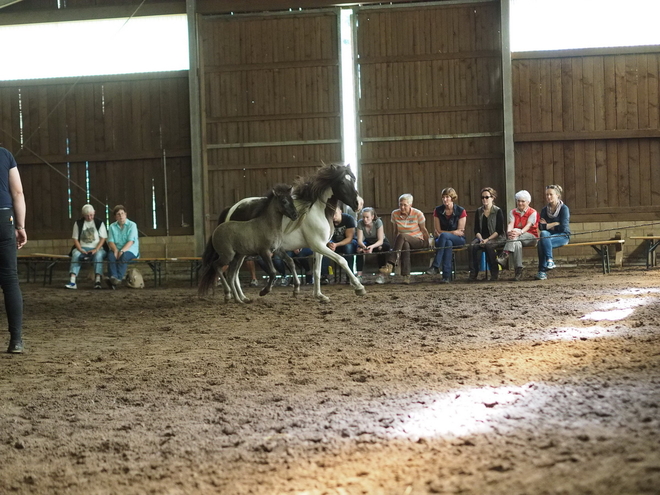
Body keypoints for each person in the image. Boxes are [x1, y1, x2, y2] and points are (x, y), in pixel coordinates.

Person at [0, 147, 27, 354]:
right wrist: (20, 226)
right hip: (3, 218)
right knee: (10, 279)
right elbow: (17, 191)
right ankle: (16, 341)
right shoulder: (5, 155)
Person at [380, 194, 430, 284]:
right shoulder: (395, 214)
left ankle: (390, 264)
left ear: (410, 205)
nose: (402, 207)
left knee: (402, 235)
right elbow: (395, 231)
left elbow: (423, 230)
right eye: (400, 204)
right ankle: (406, 276)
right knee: (405, 245)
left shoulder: (418, 214)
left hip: (418, 241)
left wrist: (427, 243)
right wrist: (398, 245)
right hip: (404, 241)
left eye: (405, 205)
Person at [426, 187, 467, 283]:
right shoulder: (438, 210)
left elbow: (460, 231)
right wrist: (452, 232)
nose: (445, 199)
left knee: (445, 236)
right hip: (441, 240)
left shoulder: (461, 211)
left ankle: (435, 266)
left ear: (452, 198)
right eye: (443, 197)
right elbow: (438, 230)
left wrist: (447, 233)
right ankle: (446, 277)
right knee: (447, 243)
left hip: (458, 239)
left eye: (447, 197)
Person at [498, 190, 538, 281]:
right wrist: (509, 232)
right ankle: (518, 271)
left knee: (515, 231)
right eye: (518, 201)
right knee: (517, 244)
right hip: (516, 238)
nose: (520, 203)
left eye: (523, 201)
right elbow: (511, 223)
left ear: (528, 202)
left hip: (531, 237)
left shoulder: (533, 212)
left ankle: (505, 254)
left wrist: (518, 232)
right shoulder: (513, 212)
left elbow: (528, 226)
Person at [65, 204, 107, 290]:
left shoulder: (99, 223)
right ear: (83, 215)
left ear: (94, 213)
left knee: (98, 255)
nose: (90, 217)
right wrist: (80, 249)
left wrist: (96, 249)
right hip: (82, 247)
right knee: (75, 254)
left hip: (98, 248)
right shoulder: (78, 223)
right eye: (87, 216)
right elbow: (75, 239)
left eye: (91, 215)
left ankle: (98, 281)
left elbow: (103, 238)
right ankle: (72, 281)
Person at [467, 187, 505, 281]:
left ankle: (494, 272)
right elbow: (476, 230)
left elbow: (499, 230)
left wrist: (487, 239)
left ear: (492, 198)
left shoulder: (497, 211)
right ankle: (473, 273)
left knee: (489, 245)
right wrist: (481, 239)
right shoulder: (478, 211)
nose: (484, 199)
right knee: (471, 246)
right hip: (481, 237)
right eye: (482, 197)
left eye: (487, 197)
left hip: (496, 237)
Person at [536, 185, 570, 280]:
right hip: (548, 236)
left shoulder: (564, 209)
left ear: (557, 195)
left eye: (551, 194)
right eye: (547, 195)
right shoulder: (544, 210)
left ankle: (542, 271)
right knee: (543, 235)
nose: (548, 197)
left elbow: (563, 228)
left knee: (541, 242)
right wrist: (555, 223)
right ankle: (550, 261)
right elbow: (541, 227)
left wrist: (548, 225)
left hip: (563, 236)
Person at [321, 206, 357, 284]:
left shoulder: (348, 219)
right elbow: (325, 236)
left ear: (340, 211)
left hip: (348, 242)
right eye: (331, 214)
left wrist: (336, 245)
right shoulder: (328, 221)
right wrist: (330, 244)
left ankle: (350, 275)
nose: (333, 216)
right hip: (333, 243)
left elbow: (349, 238)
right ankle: (324, 276)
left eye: (335, 213)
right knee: (323, 250)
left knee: (348, 248)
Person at [107, 205, 139, 289]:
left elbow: (131, 241)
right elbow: (110, 241)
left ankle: (118, 278)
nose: (121, 216)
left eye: (122, 213)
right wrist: (115, 250)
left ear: (126, 214)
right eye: (118, 214)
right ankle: (114, 277)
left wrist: (122, 251)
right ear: (115, 217)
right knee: (110, 255)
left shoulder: (132, 225)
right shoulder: (112, 226)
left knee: (123, 256)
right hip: (117, 249)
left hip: (130, 249)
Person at [356, 207, 391, 284]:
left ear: (372, 217)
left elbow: (380, 240)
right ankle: (359, 275)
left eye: (367, 217)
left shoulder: (378, 222)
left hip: (380, 242)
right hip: (367, 242)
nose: (365, 219)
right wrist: (364, 247)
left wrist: (371, 247)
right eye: (363, 217)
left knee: (380, 249)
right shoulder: (360, 223)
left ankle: (381, 275)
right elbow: (359, 240)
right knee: (359, 250)